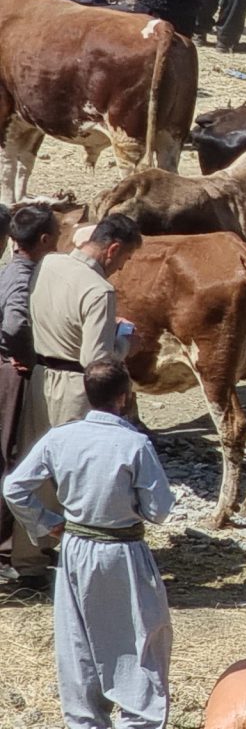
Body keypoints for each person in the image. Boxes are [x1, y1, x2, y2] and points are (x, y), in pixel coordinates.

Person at [3, 359, 173, 729]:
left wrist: (48, 524)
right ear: (125, 398)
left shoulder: (59, 437)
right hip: (123, 551)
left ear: (88, 395)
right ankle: (139, 719)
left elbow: (14, 487)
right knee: (138, 636)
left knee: (77, 640)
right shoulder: (135, 443)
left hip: (74, 549)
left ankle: (85, 722)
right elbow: (159, 510)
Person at [0, 205, 57, 585]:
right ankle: (6, 549)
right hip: (10, 372)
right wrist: (25, 356)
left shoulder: (11, 269)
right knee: (10, 455)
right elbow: (15, 322)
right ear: (43, 240)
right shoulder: (23, 275)